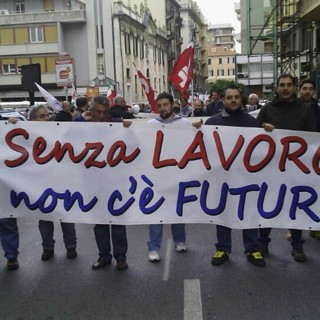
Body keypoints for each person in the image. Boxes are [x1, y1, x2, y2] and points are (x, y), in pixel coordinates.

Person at [204, 84, 266, 267]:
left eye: (236, 97)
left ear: (241, 99)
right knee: (223, 212)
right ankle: (223, 248)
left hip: (247, 177)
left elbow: (261, 149)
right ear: (224, 99)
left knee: (248, 211)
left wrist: (270, 133)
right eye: (229, 97)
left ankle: (253, 248)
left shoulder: (252, 122)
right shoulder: (212, 122)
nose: (232, 100)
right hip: (221, 177)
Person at [257, 74, 316, 262]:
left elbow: (313, 139)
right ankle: (263, 244)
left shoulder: (305, 111)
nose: (285, 88)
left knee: (295, 208)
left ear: (294, 87)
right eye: (282, 85)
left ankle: (297, 246)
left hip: (296, 170)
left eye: (289, 85)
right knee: (267, 207)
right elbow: (253, 136)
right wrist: (262, 129)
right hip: (271, 169)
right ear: (277, 88)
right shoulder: (267, 109)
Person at [75, 95, 128, 271]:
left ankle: (120, 257)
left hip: (115, 181)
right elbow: (65, 134)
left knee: (118, 222)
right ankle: (104, 256)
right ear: (90, 110)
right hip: (94, 181)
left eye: (104, 112)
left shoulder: (116, 124)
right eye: (98, 111)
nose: (101, 115)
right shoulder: (83, 123)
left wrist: (128, 126)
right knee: (100, 222)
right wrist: (81, 120)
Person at [146, 92, 192, 262]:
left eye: (165, 105)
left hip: (178, 175)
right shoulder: (150, 124)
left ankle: (180, 240)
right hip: (157, 177)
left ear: (172, 104)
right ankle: (153, 248)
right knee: (155, 212)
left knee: (177, 210)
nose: (163, 108)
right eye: (160, 106)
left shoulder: (184, 124)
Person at [29, 104, 78, 261]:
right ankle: (48, 248)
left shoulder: (57, 130)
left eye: (47, 115)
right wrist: (11, 123)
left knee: (66, 215)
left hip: (60, 180)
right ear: (32, 119)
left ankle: (71, 247)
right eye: (42, 116)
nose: (46, 118)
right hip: (40, 182)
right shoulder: (26, 134)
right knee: (45, 217)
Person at [298, 78, 320, 240]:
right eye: (304, 88)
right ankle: (293, 227)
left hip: (314, 157)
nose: (307, 91)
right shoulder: (295, 109)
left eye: (310, 89)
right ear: (300, 90)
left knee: (314, 192)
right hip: (296, 158)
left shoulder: (318, 110)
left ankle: (315, 225)